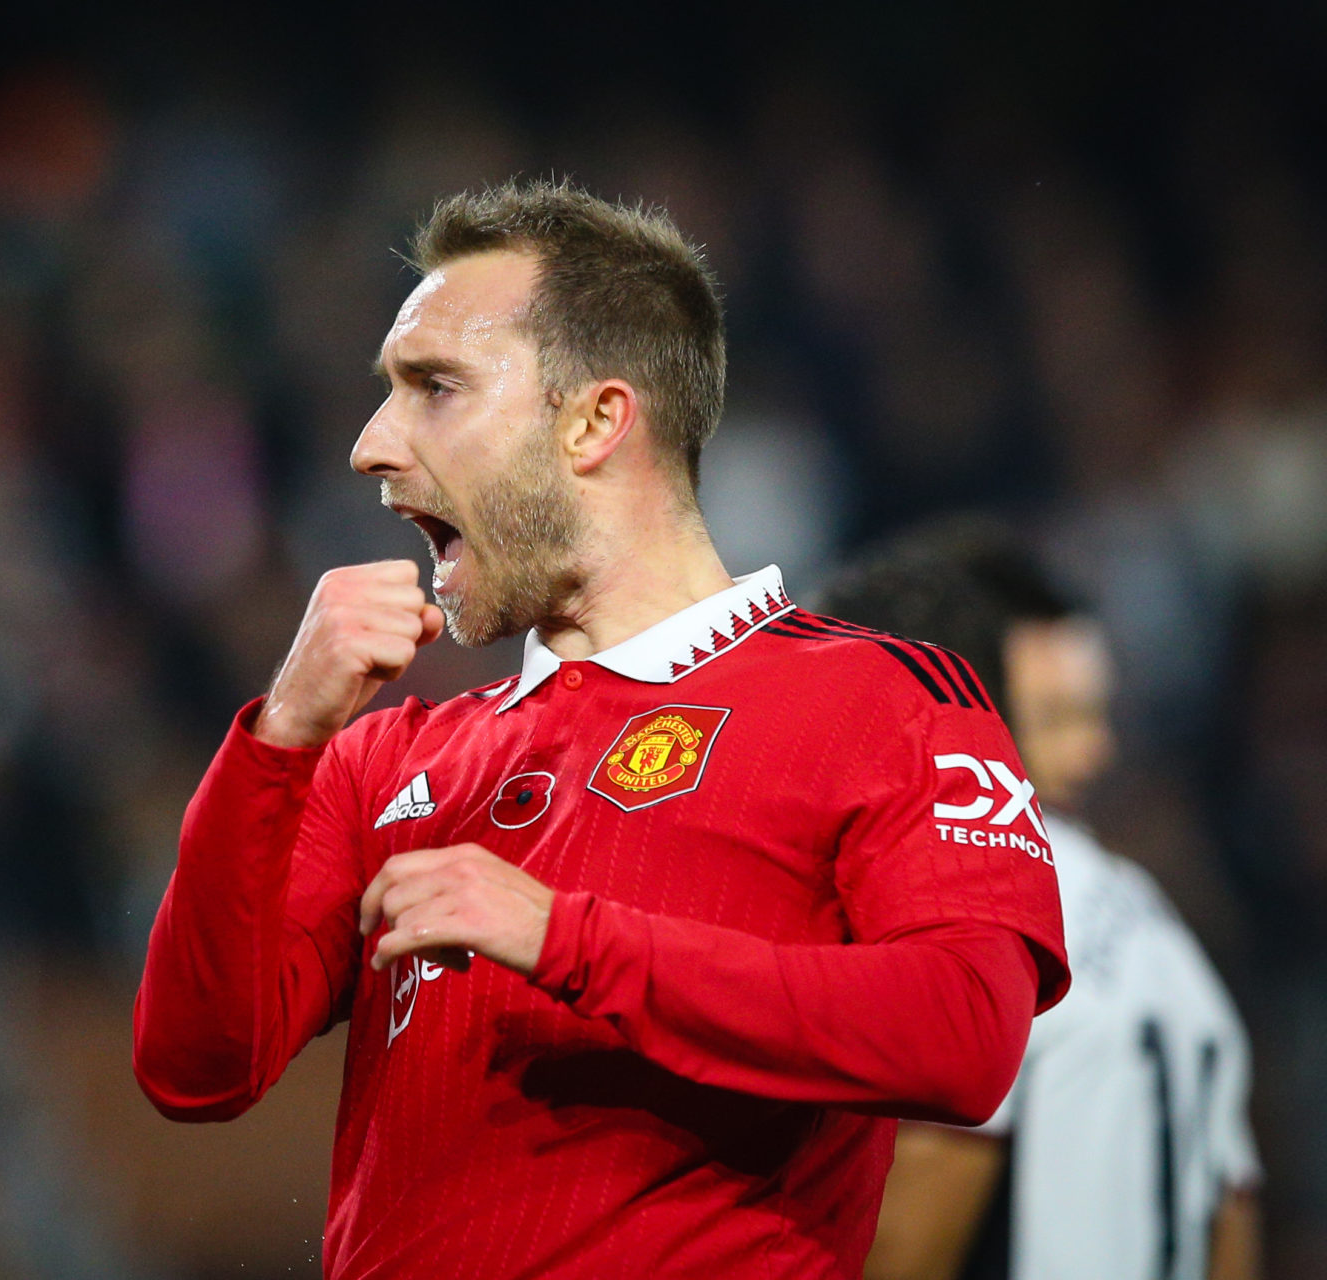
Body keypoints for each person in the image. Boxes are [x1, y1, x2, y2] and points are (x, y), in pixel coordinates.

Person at [131, 181, 1068, 1278]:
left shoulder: (882, 698)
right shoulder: (387, 757)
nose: (371, 445)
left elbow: (964, 1036)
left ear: (594, 420)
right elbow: (197, 1065)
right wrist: (281, 736)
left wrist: (569, 938)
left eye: (433, 387)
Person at [824, 524, 1262, 1280]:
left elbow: (902, 1246)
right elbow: (1233, 1213)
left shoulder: (973, 892)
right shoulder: (1149, 917)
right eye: (1056, 716)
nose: (1094, 752)